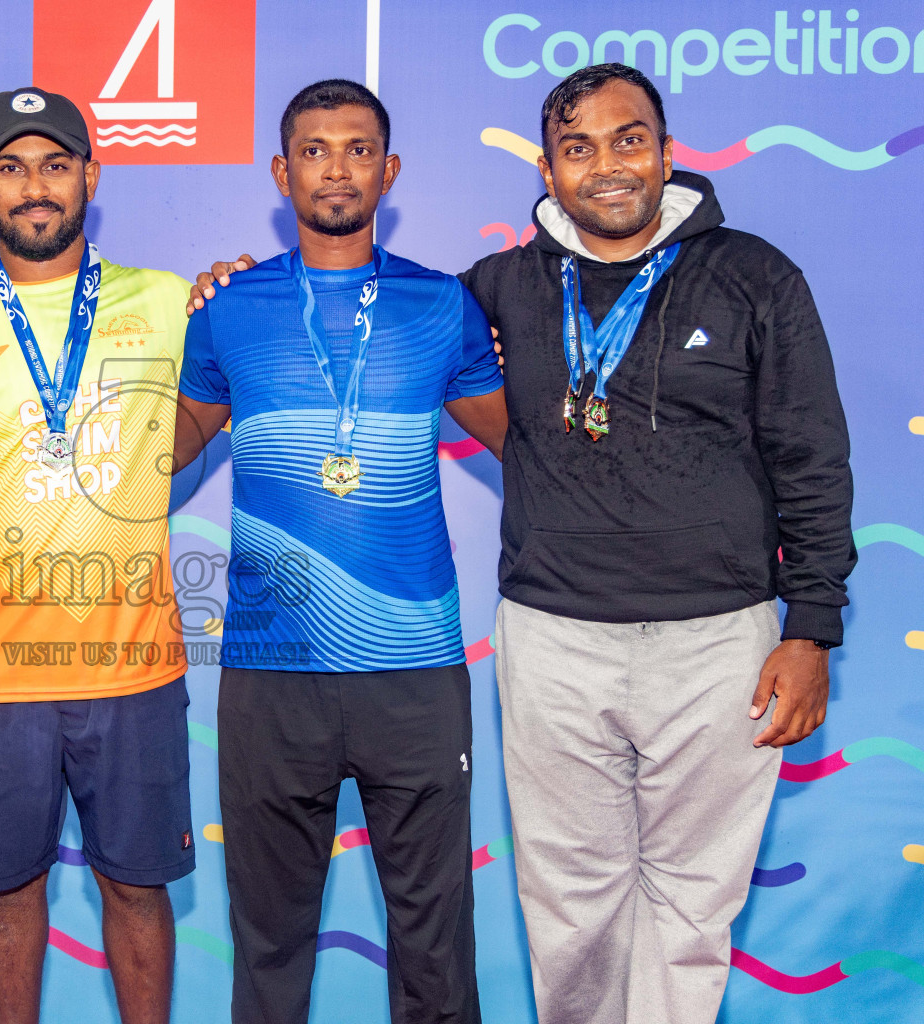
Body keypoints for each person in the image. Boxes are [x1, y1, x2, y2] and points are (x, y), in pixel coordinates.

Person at [464, 64, 854, 1024]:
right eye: (578, 147)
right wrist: (226, 286)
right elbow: (378, 314)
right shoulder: (501, 287)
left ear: (667, 152)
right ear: (550, 170)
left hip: (721, 643)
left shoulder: (757, 276)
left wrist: (812, 628)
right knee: (569, 906)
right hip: (554, 637)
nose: (607, 166)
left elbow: (812, 458)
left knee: (692, 907)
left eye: (628, 139)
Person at [174, 79, 507, 1024]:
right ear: (282, 173)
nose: (337, 167)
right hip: (272, 672)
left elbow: (538, 451)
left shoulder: (442, 307)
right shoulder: (228, 306)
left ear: (389, 171)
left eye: (358, 149)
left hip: (416, 670)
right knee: (269, 945)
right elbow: (161, 450)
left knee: (435, 940)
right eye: (314, 150)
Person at [0, 88, 194, 1024]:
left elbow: (225, 400)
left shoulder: (173, 303)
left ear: (91, 178)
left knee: (138, 889)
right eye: (11, 168)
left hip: (135, 666)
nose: (35, 187)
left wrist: (240, 287)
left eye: (55, 164)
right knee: (6, 893)